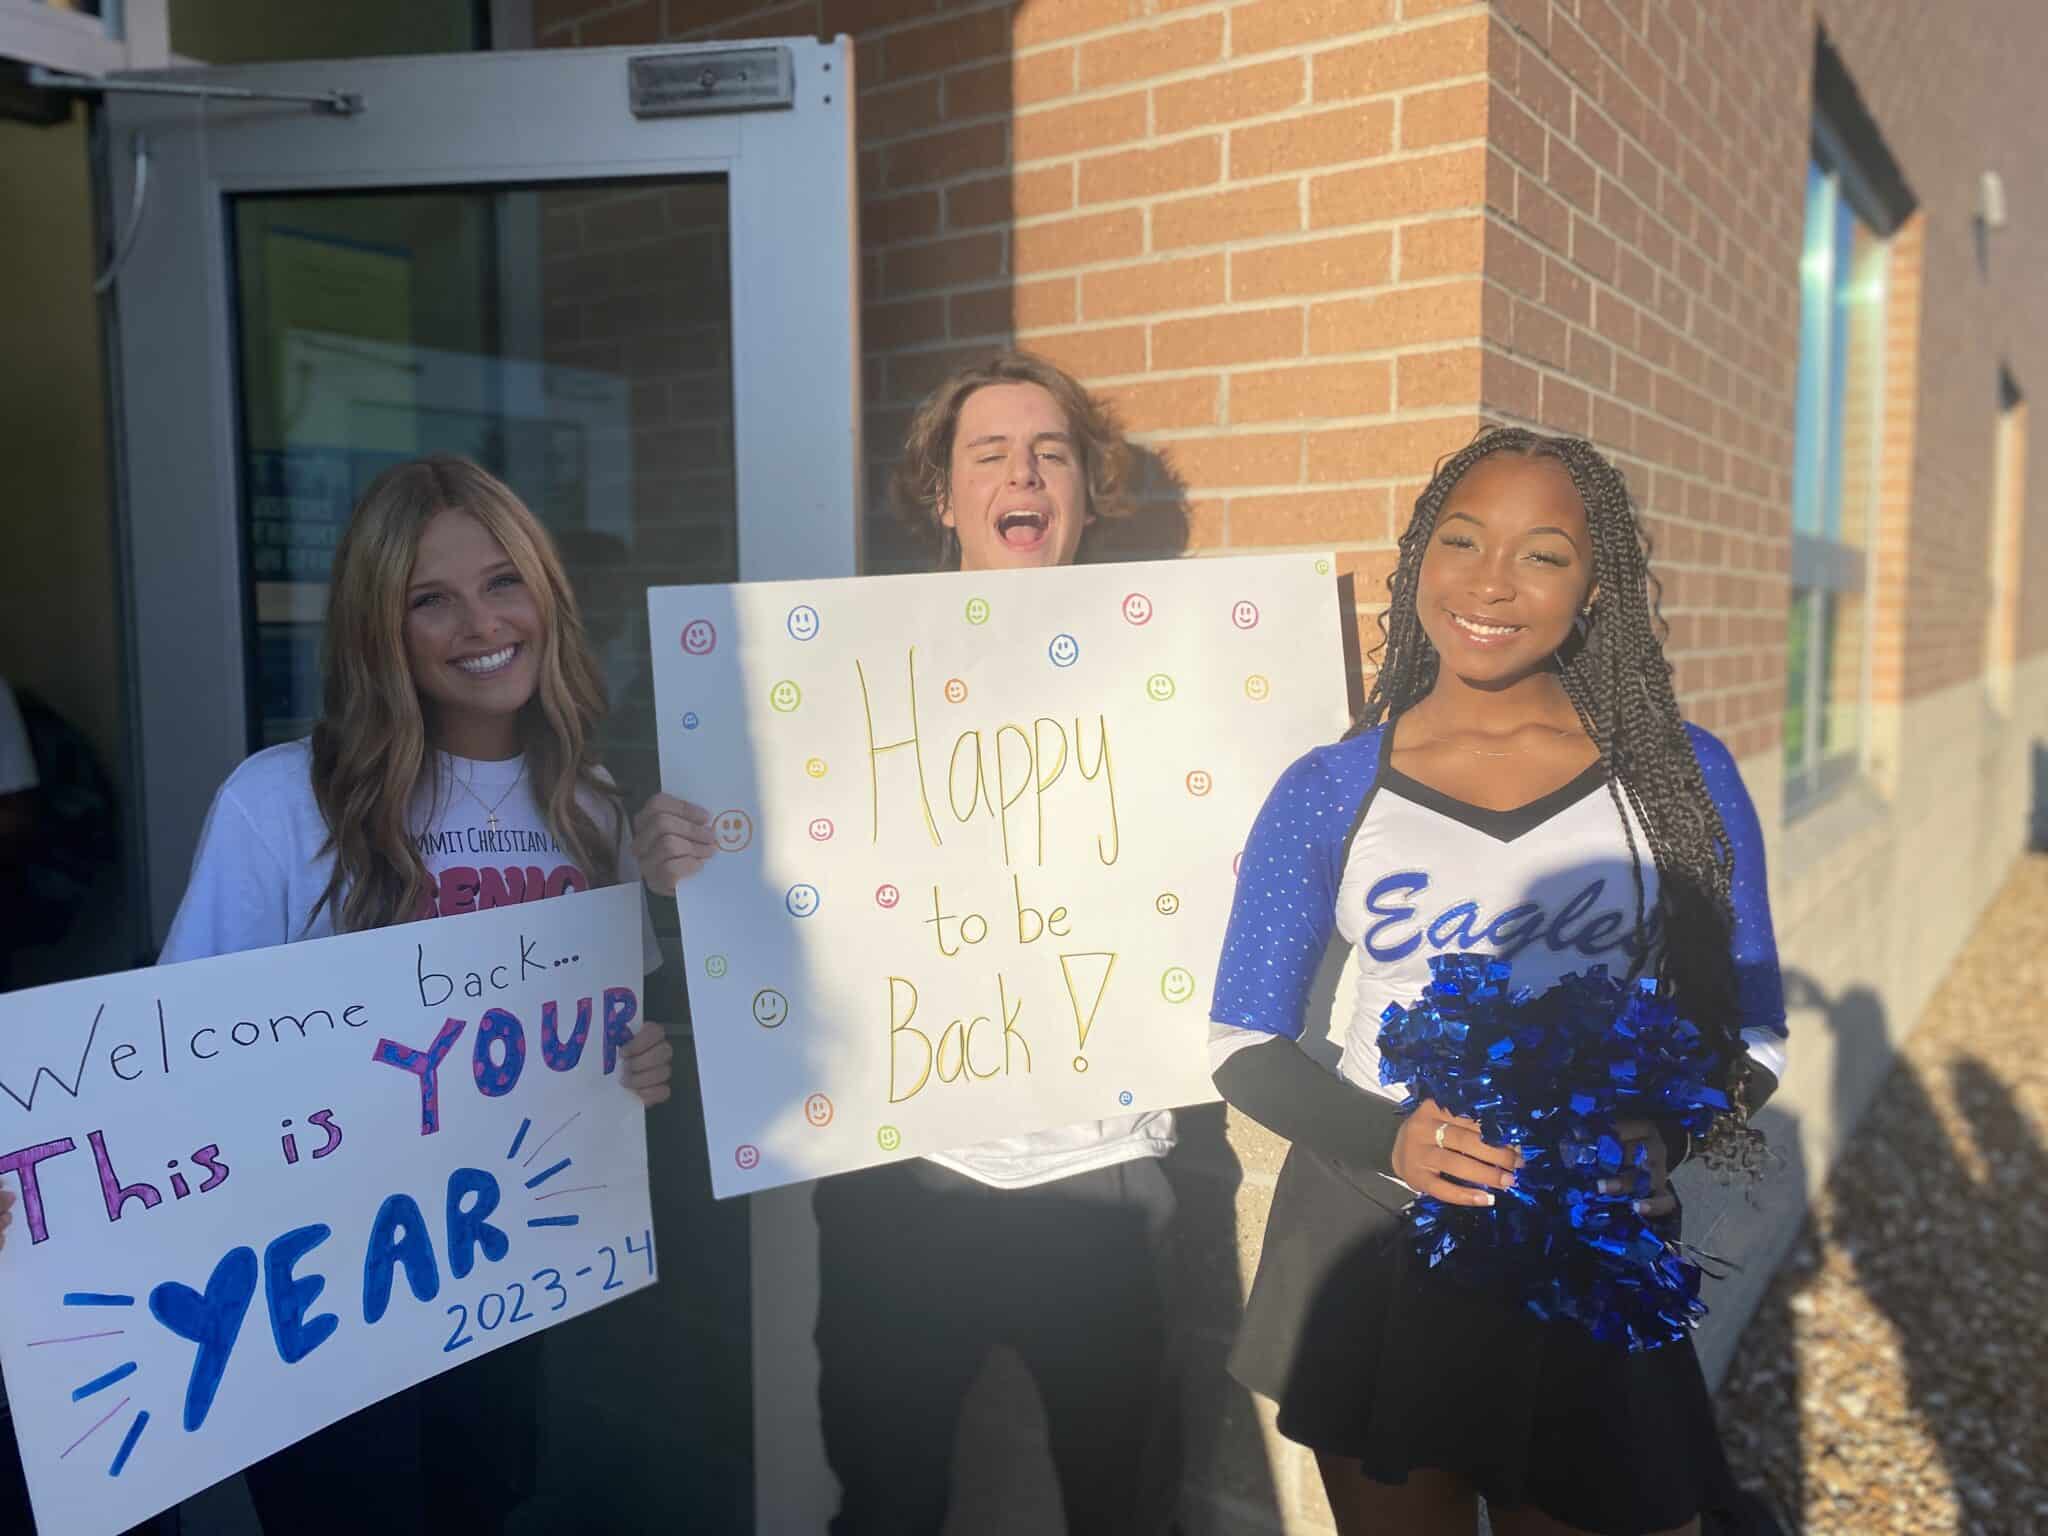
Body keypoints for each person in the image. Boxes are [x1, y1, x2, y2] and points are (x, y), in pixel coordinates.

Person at [636, 352, 1182, 1536]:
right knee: (882, 1501)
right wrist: (681, 866)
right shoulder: (838, 674)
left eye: (1050, 454)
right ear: (941, 496)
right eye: (988, 453)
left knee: (1122, 1505)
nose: (1021, 473)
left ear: (1087, 493)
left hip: (1100, 1176)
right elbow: (768, 872)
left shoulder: (1172, 673)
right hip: (901, 1178)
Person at [1206, 427, 1788, 1536]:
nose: (1489, 582)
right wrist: (1390, 1141)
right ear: (1418, 555)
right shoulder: (1332, 785)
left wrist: (1655, 1138)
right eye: (1461, 540)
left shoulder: (1678, 775)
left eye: (1541, 554)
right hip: (1375, 1236)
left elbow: (1750, 1035)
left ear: (1595, 583)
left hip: (1585, 1241)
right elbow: (1241, 1041)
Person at [154, 455, 676, 1534]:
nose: (478, 622)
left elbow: (607, 1040)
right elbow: (173, 1061)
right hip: (314, 1305)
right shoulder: (278, 803)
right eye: (427, 599)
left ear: (544, 592)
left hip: (495, 1281)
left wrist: (638, 1066)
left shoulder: (592, 805)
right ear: (376, 631)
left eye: (501, 582)